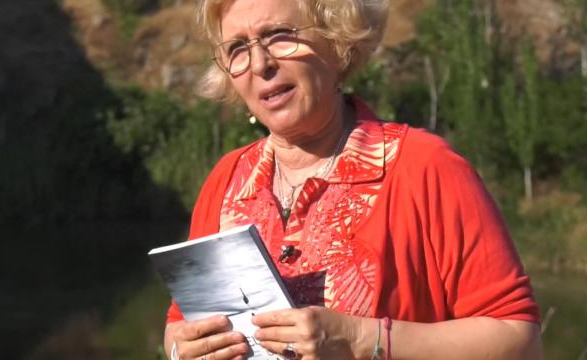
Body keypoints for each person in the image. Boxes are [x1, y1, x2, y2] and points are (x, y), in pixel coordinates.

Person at [163, 0, 543, 359]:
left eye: (279, 34)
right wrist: (182, 350)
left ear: (337, 40)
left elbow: (519, 341)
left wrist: (363, 339)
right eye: (237, 48)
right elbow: (179, 325)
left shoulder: (425, 167)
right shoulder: (226, 180)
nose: (260, 63)